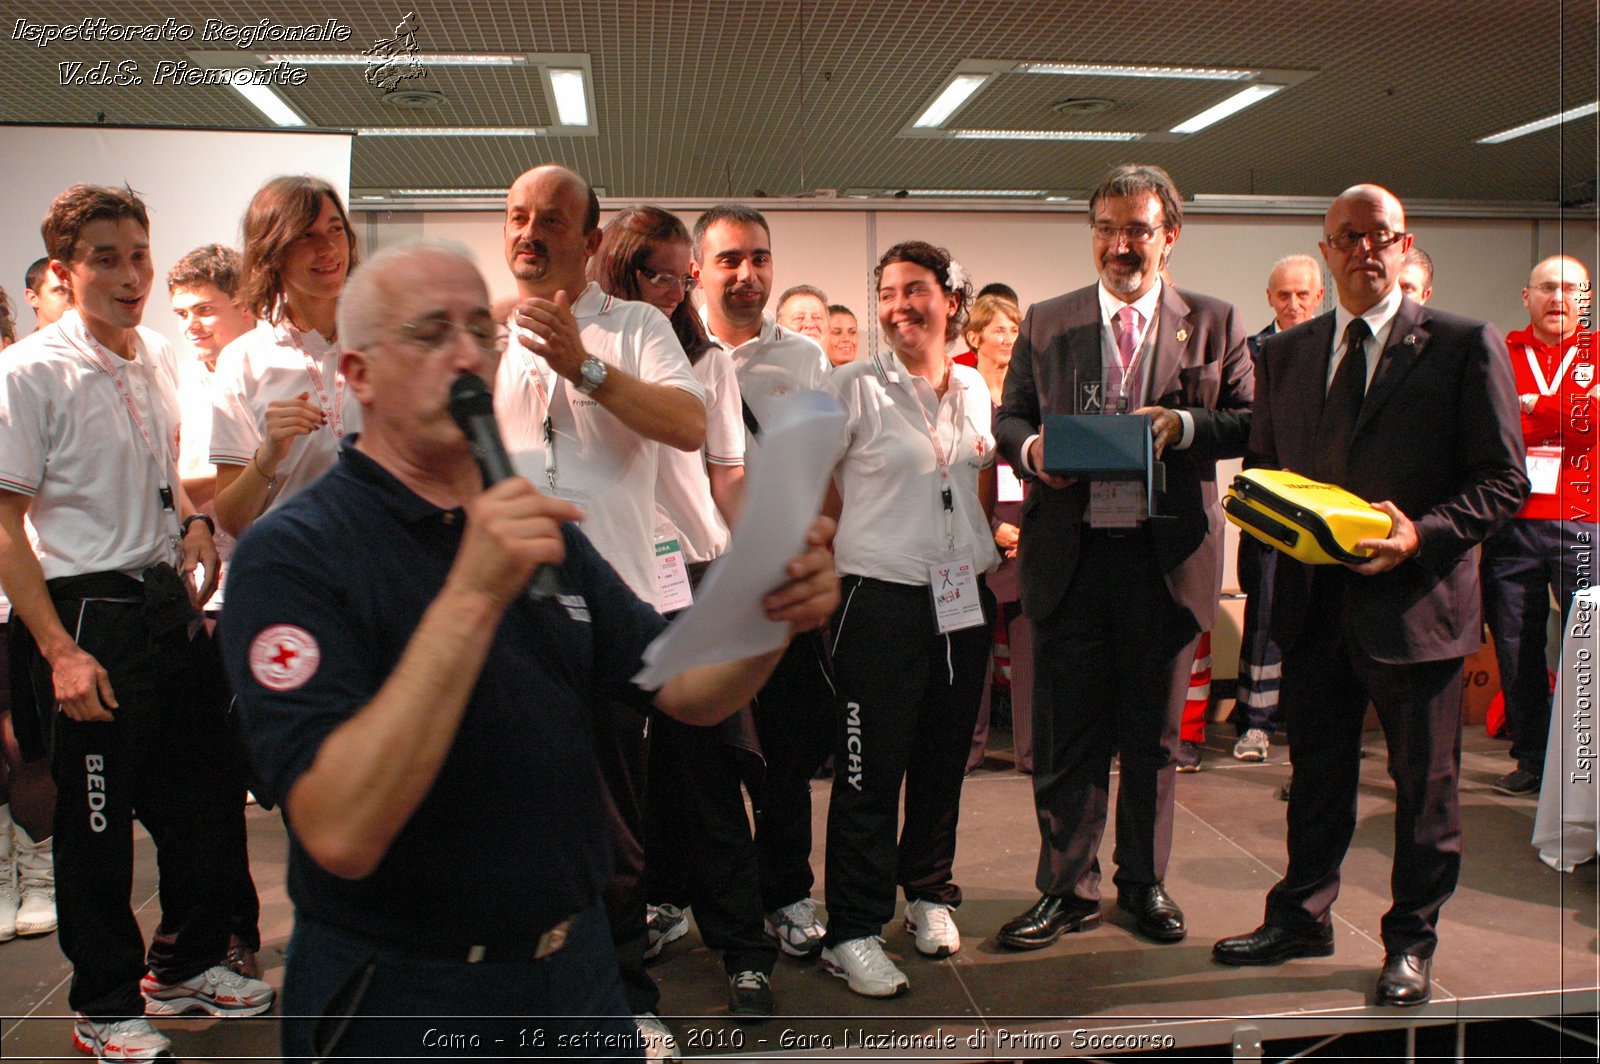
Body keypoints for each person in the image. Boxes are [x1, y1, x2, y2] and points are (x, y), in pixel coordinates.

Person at [218, 241, 839, 1061]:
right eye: (431, 332)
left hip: (571, 969)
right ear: (358, 374)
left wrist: (767, 616)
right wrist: (471, 595)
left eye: (482, 328)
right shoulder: (295, 555)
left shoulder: (534, 524)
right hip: (403, 989)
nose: (469, 352)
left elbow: (684, 688)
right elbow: (340, 828)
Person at [1213, 184, 1527, 1009]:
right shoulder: (1285, 353)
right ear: (1327, 252)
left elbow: (1504, 482)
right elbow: (1272, 476)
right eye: (1348, 237)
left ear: (1405, 243)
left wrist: (1419, 534)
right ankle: (1301, 916)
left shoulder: (1462, 343)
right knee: (1316, 774)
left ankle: (1410, 943)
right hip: (1313, 608)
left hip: (1418, 607)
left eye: (1380, 235)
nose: (1365, 249)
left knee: (1426, 788)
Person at [0, 184, 272, 1064]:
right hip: (85, 614)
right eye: (106, 259)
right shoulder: (28, 371)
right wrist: (59, 652)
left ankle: (188, 964)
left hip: (164, 601)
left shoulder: (155, 354)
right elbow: (4, 526)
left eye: (139, 255)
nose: (130, 276)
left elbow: (171, 472)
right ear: (65, 270)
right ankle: (103, 1003)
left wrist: (194, 525)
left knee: (203, 800)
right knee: (98, 826)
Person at [994, 163, 1252, 951]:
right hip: (1069, 556)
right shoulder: (1046, 321)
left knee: (1154, 739)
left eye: (1137, 229)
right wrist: (1036, 450)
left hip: (1164, 560)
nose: (1120, 244)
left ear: (1169, 236)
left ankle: (1142, 882)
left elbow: (1246, 421)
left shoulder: (1213, 321)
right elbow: (1010, 419)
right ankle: (1066, 888)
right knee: (1067, 737)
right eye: (1106, 228)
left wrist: (1184, 429)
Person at [497, 166, 706, 1054]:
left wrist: (578, 363)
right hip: (507, 617)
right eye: (517, 217)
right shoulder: (480, 334)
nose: (529, 232)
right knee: (509, 817)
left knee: (614, 824)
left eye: (551, 220)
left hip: (612, 611)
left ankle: (624, 997)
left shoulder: (638, 326)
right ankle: (522, 996)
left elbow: (687, 424)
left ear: (589, 243)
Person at [587, 205, 775, 1018]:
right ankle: (629, 956)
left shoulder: (708, 365)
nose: (667, 289)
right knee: (619, 784)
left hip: (693, 575)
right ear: (620, 270)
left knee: (708, 771)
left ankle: (746, 948)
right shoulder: (593, 348)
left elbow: (726, 475)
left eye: (677, 274)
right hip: (613, 576)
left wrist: (758, 558)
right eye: (650, 273)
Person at [820, 242, 997, 998]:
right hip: (879, 598)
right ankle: (853, 929)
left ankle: (928, 892)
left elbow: (972, 484)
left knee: (941, 758)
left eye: (915, 290)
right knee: (868, 772)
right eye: (887, 293)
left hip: (961, 597)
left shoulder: (974, 389)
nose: (898, 307)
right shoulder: (849, 387)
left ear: (950, 301)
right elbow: (813, 490)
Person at [691, 205, 835, 960]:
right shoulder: (671, 347)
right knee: (701, 763)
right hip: (697, 583)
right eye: (729, 260)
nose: (747, 275)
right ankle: (687, 896)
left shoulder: (804, 359)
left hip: (775, 584)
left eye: (759, 259)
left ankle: (785, 891)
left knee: (785, 754)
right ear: (699, 269)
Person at [1480, 255, 1595, 796]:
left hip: (1584, 521)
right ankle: (1531, 757)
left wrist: (1533, 408)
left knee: (1587, 646)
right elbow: (1491, 426)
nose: (1560, 298)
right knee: (1515, 645)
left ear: (1586, 299)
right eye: (1548, 287)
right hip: (1513, 523)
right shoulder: (1501, 353)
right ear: (1527, 296)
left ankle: (1584, 761)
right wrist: (1561, 410)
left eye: (1573, 289)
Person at [210, 176, 362, 538]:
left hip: (380, 563)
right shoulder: (244, 360)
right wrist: (269, 454)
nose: (327, 248)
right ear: (271, 252)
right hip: (295, 566)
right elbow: (232, 520)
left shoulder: (385, 340)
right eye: (305, 236)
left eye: (335, 230)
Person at [1234, 255, 1327, 765]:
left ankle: (1312, 720)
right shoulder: (1251, 354)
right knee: (1267, 607)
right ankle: (1255, 722)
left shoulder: (1341, 350)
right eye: (1284, 295)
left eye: (1303, 295)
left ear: (1319, 297)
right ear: (1269, 297)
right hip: (1271, 503)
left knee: (1325, 615)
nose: (1294, 305)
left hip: (1331, 510)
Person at [960, 294, 1033, 775]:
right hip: (975, 530)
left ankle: (1033, 753)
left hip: (1030, 532)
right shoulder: (960, 392)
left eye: (1014, 329)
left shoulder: (1030, 394)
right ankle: (967, 752)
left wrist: (1027, 528)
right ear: (974, 338)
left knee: (1032, 654)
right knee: (972, 653)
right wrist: (990, 528)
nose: (1008, 338)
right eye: (999, 329)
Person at [23, 258, 71, 332]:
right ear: (33, 298)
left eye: (75, 291)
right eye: (61, 291)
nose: (73, 299)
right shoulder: (29, 344)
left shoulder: (91, 341)